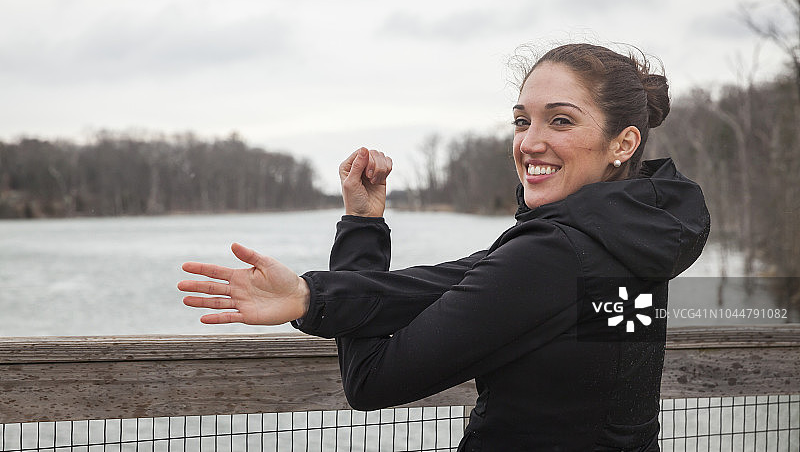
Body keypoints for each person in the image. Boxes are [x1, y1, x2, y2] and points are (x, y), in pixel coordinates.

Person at [178, 43, 710, 451]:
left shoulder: (556, 254)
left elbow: (370, 381)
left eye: (561, 120)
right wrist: (311, 296)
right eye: (522, 120)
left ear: (624, 143)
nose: (529, 141)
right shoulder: (636, 241)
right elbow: (452, 284)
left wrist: (357, 233)